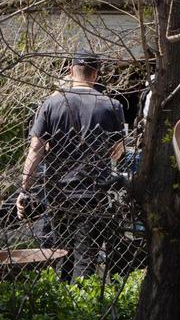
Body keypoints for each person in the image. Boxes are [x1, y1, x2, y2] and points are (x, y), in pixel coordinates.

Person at [16, 51, 126, 280]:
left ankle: (61, 307)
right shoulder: (112, 106)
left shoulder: (52, 103)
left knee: (59, 255)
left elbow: (35, 150)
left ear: (70, 71)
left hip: (58, 193)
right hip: (94, 193)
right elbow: (118, 152)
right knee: (85, 259)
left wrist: (24, 189)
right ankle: (82, 308)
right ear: (96, 73)